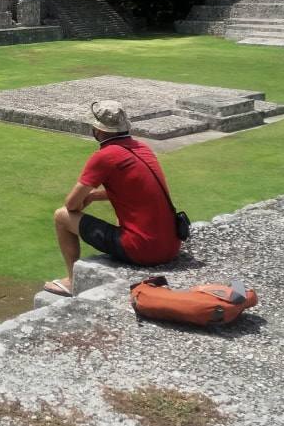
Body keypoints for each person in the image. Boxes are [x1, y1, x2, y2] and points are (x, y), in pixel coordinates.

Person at [44, 100, 181, 297]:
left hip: (144, 250)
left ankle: (73, 281)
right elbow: (133, 189)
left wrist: (86, 197)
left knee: (61, 216)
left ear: (98, 130)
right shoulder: (143, 149)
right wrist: (93, 196)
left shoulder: (105, 156)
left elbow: (71, 204)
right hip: (171, 245)